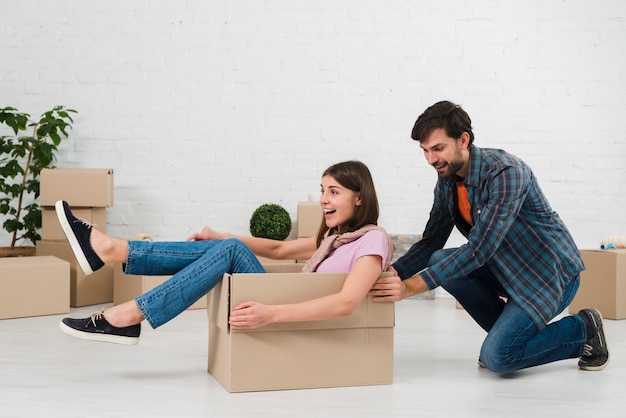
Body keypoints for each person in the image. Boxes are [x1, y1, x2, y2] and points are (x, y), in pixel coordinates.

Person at [369, 100, 609, 373]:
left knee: (499, 358)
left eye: (437, 148)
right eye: (424, 151)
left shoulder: (506, 172)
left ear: (463, 140)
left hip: (548, 276)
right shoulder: (447, 178)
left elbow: (480, 249)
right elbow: (432, 241)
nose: (431, 159)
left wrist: (411, 287)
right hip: (507, 270)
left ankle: (582, 330)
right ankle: (512, 341)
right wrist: (390, 275)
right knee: (438, 258)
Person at [56, 160, 395, 345]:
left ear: (359, 197)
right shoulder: (334, 237)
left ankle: (123, 296)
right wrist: (221, 236)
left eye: (334, 192)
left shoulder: (372, 241)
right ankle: (113, 255)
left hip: (288, 310)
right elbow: (279, 249)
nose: (323, 199)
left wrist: (271, 314)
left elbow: (347, 303)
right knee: (227, 247)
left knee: (230, 249)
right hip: (283, 299)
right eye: (322, 190)